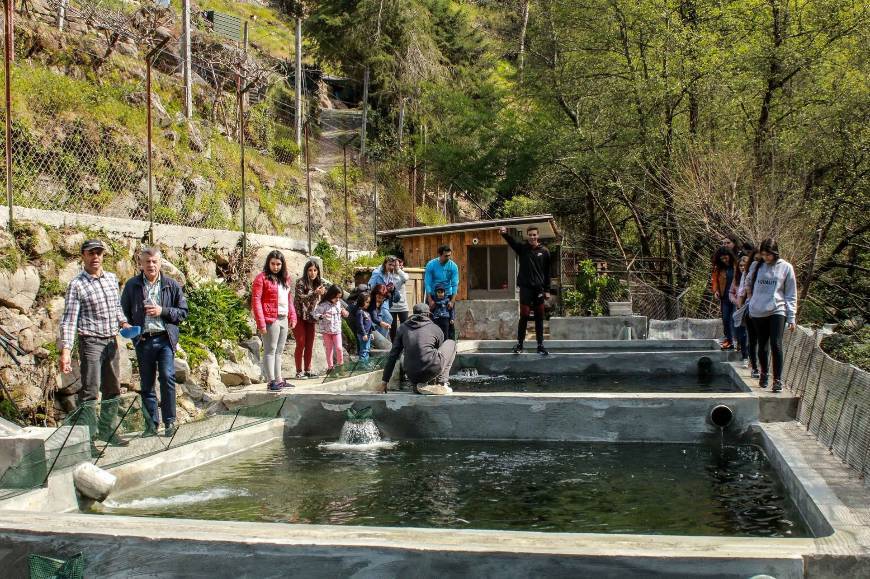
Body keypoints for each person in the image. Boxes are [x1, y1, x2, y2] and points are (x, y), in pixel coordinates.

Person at [59, 239, 132, 447]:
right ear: (83, 256)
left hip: (111, 342)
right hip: (90, 342)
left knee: (113, 389)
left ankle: (107, 431)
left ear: (103, 256)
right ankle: (87, 440)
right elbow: (69, 319)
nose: (95, 257)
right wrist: (66, 351)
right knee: (90, 392)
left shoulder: (111, 279)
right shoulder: (76, 285)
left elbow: (116, 308)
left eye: (99, 253)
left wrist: (124, 322)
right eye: (91, 253)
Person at [121, 247, 188, 436]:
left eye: (154, 261)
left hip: (165, 339)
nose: (151, 265)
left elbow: (183, 313)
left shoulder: (171, 285)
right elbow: (123, 311)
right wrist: (127, 326)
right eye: (147, 262)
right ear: (141, 264)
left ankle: (169, 422)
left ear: (160, 263)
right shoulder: (132, 285)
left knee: (167, 377)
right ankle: (151, 425)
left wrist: (162, 311)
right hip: (143, 340)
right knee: (147, 384)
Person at [748, 238, 797, 393]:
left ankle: (777, 380)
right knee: (762, 345)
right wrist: (751, 301)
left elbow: (791, 293)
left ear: (775, 253)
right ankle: (764, 373)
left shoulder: (786, 267)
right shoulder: (757, 266)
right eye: (763, 254)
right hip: (757, 310)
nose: (766, 258)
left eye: (769, 255)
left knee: (776, 344)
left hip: (777, 309)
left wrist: (791, 316)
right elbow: (747, 283)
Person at [380, 303, 457, 395]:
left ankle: (418, 385)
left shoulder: (402, 328)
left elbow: (393, 356)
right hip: (431, 369)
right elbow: (439, 354)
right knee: (451, 343)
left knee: (407, 355)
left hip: (412, 375)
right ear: (428, 315)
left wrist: (384, 381)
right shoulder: (435, 328)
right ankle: (442, 383)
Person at [499, 225, 552, 356]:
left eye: (534, 235)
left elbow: (547, 272)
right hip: (525, 288)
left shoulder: (545, 251)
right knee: (524, 316)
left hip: (539, 288)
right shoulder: (522, 249)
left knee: (539, 317)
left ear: (538, 235)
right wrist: (504, 233)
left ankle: (540, 345)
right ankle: (520, 344)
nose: (532, 237)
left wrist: (547, 289)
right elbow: (512, 242)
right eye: (530, 235)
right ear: (527, 236)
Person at [251, 250, 297, 392]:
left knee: (279, 350)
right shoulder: (262, 278)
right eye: (273, 264)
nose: (275, 267)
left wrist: (292, 315)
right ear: (268, 263)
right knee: (270, 350)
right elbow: (256, 301)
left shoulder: (286, 278)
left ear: (282, 265)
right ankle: (271, 381)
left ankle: (279, 379)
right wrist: (261, 323)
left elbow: (289, 299)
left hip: (283, 317)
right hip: (270, 318)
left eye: (278, 264)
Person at [293, 260, 325, 379]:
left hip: (311, 317)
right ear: (306, 271)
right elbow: (301, 299)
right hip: (299, 316)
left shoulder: (320, 283)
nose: (312, 273)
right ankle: (298, 371)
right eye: (310, 270)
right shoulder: (300, 282)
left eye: (315, 270)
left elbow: (324, 299)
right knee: (301, 343)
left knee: (310, 344)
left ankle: (307, 369)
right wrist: (315, 293)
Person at [369, 256, 409, 341]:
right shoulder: (377, 272)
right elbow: (371, 286)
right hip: (377, 300)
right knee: (387, 318)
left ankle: (380, 340)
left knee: (384, 319)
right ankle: (381, 340)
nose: (391, 267)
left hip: (385, 301)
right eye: (390, 265)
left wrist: (391, 288)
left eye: (393, 265)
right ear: (385, 263)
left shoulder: (390, 272)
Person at [424, 245, 459, 339]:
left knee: (449, 322)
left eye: (449, 255)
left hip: (447, 295)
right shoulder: (431, 264)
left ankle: (450, 344)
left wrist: (452, 301)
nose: (448, 258)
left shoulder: (453, 266)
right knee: (430, 320)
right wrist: (430, 299)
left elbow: (455, 284)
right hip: (433, 294)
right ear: (439, 255)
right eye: (446, 256)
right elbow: (427, 282)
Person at [313, 285, 349, 373]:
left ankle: (341, 366)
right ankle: (330, 367)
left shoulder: (338, 303)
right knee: (329, 349)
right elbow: (315, 314)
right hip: (326, 331)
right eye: (336, 297)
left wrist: (345, 312)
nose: (338, 299)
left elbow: (346, 314)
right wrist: (322, 316)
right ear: (331, 295)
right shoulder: (323, 305)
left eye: (339, 298)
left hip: (337, 331)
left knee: (339, 348)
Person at [741, 250, 763, 379]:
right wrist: (749, 299)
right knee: (753, 339)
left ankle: (762, 368)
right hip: (752, 307)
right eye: (755, 258)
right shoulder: (751, 270)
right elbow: (745, 287)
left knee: (764, 341)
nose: (758, 261)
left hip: (767, 309)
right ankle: (754, 366)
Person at [712, 246, 737, 350]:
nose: (724, 260)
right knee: (726, 319)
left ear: (730, 256)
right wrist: (716, 291)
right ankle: (729, 340)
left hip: (736, 298)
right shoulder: (718, 268)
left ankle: (736, 341)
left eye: (726, 258)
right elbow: (714, 281)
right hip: (724, 298)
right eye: (722, 259)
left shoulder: (736, 265)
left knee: (733, 319)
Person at [729, 255, 749, 365]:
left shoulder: (752, 277)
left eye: (744, 266)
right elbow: (730, 293)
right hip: (738, 308)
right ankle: (744, 354)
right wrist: (735, 301)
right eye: (740, 265)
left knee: (747, 334)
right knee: (740, 333)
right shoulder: (736, 278)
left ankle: (747, 356)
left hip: (750, 308)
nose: (742, 267)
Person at [354, 292, 374, 362]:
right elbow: (360, 324)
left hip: (367, 334)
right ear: (361, 301)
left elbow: (370, 324)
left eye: (369, 302)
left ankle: (366, 362)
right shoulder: (360, 312)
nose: (368, 304)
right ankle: (362, 364)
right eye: (366, 302)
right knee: (364, 350)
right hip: (363, 335)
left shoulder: (367, 312)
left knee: (367, 349)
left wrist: (371, 333)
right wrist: (364, 334)